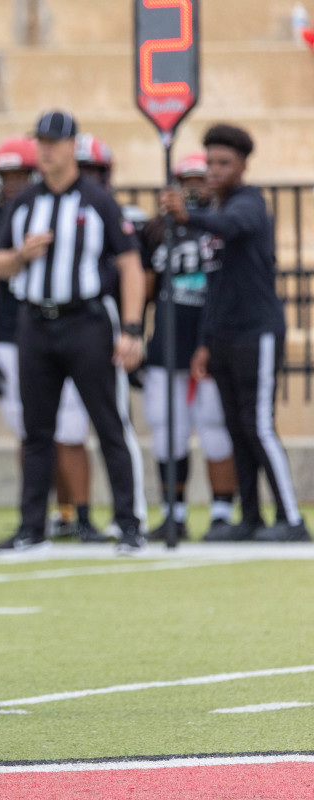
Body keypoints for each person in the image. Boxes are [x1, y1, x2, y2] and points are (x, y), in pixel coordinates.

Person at [0, 110, 147, 554]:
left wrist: (132, 327)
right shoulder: (23, 203)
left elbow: (131, 265)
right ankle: (31, 527)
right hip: (35, 323)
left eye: (53, 142)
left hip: (87, 322)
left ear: (72, 146)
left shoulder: (97, 200)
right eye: (40, 141)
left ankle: (128, 525)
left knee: (108, 424)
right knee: (36, 430)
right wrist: (22, 255)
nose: (45, 149)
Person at [161, 124, 308, 542]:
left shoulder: (249, 203)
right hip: (223, 335)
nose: (214, 170)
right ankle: (251, 516)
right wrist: (205, 342)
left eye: (224, 163)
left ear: (243, 165)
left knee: (258, 424)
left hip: (256, 332)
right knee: (235, 427)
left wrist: (189, 215)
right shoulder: (216, 211)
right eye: (209, 162)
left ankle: (292, 518)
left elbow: (233, 226)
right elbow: (215, 288)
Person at [0, 136, 101, 543]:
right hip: (14, 338)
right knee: (31, 433)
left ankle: (77, 514)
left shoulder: (65, 207)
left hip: (62, 329)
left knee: (73, 431)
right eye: (5, 176)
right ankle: (36, 517)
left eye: (18, 175)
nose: (11, 185)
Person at [141, 154, 236, 542]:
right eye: (187, 180)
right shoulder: (156, 230)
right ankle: (173, 512)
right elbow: (144, 287)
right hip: (166, 344)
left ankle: (221, 513)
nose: (194, 188)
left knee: (215, 430)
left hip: (208, 346)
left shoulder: (220, 228)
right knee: (167, 432)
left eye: (200, 180)